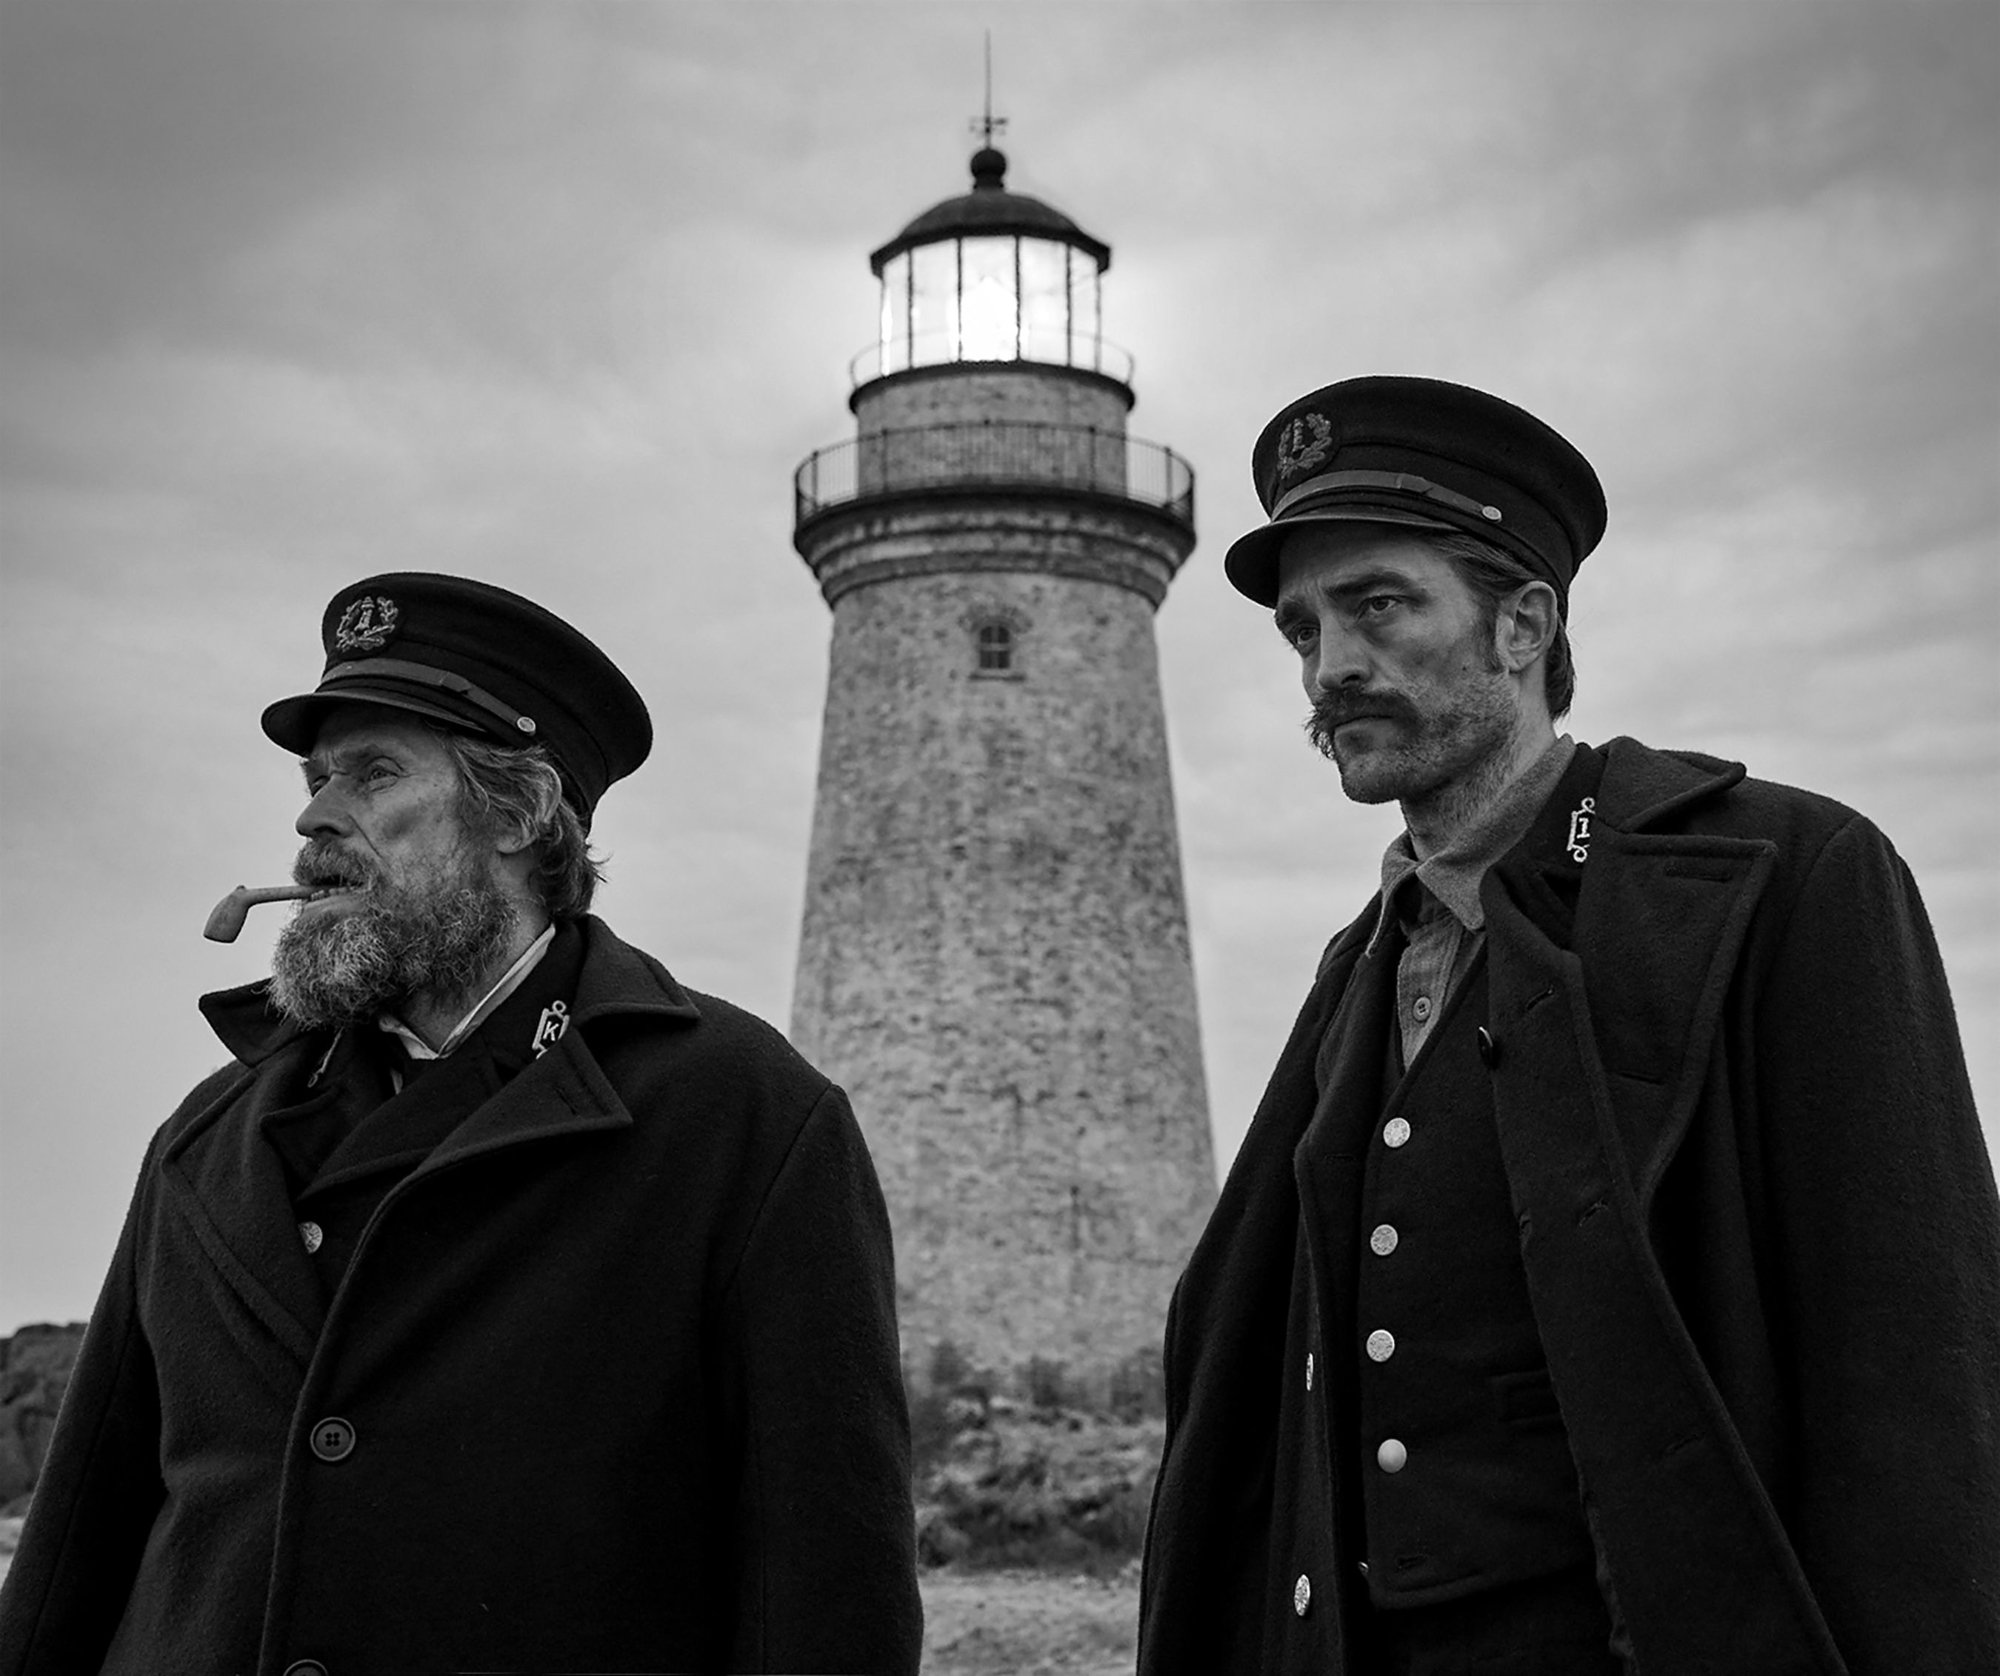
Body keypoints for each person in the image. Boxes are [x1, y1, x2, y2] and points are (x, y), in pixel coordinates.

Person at [1136, 377, 2000, 1675]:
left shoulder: (1783, 874)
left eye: (1379, 604)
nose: (1332, 666)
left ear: (1523, 624)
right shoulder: (1355, 972)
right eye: (1305, 630)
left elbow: (1916, 1383)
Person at [0, 574, 922, 1675]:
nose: (311, 818)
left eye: (374, 773)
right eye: (314, 777)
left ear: (519, 813)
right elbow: (73, 1553)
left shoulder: (743, 1118)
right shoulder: (212, 1132)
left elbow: (826, 1589)